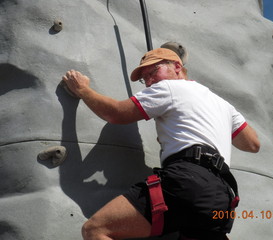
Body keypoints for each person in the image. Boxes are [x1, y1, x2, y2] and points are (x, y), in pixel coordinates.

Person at [62, 48, 260, 240]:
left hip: (187, 181)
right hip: (221, 196)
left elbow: (116, 113)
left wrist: (83, 90)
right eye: (144, 78)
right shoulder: (222, 104)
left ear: (176, 66)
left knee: (96, 230)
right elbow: (252, 143)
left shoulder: (169, 88)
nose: (149, 81)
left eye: (153, 71)